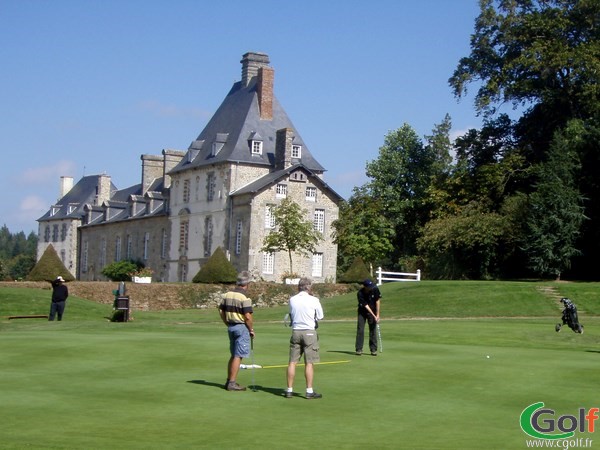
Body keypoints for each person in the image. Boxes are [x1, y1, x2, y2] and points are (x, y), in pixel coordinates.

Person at [285, 277, 324, 399]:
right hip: (309, 332)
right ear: (309, 287)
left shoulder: (292, 299)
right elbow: (321, 316)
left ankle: (289, 390)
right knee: (309, 363)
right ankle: (309, 391)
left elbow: (291, 314)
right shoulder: (314, 300)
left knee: (292, 362)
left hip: (296, 331)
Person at [218, 271, 254, 391]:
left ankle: (229, 381)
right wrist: (251, 329)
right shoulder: (244, 297)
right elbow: (247, 316)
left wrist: (226, 322)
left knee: (233, 355)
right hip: (241, 327)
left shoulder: (227, 294)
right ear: (247, 284)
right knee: (238, 355)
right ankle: (232, 383)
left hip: (231, 326)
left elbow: (221, 311)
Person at [355, 278, 381, 356]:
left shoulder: (375, 289)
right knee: (360, 329)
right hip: (362, 311)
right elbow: (365, 305)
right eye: (369, 286)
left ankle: (373, 349)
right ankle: (359, 349)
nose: (371, 287)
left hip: (373, 310)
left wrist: (378, 314)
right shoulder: (360, 293)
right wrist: (374, 315)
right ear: (365, 286)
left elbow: (377, 301)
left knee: (373, 329)